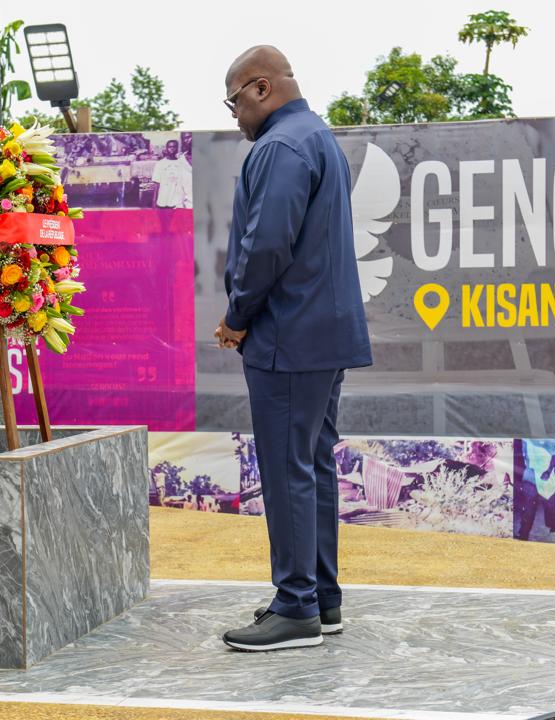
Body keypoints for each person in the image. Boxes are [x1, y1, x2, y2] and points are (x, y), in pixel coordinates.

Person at [215, 46, 372, 652]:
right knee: (312, 464)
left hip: (287, 336)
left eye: (234, 101)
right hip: (322, 336)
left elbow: (265, 246)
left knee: (286, 469)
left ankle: (296, 607)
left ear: (261, 88)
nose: (234, 115)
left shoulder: (279, 146)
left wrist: (236, 317)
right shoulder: (318, 137)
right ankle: (322, 600)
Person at [151, 139, 192, 208]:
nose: (172, 149)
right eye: (170, 147)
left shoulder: (182, 163)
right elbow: (157, 184)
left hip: (177, 202)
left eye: (174, 147)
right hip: (163, 201)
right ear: (166, 148)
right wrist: (154, 201)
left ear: (177, 148)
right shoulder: (160, 164)